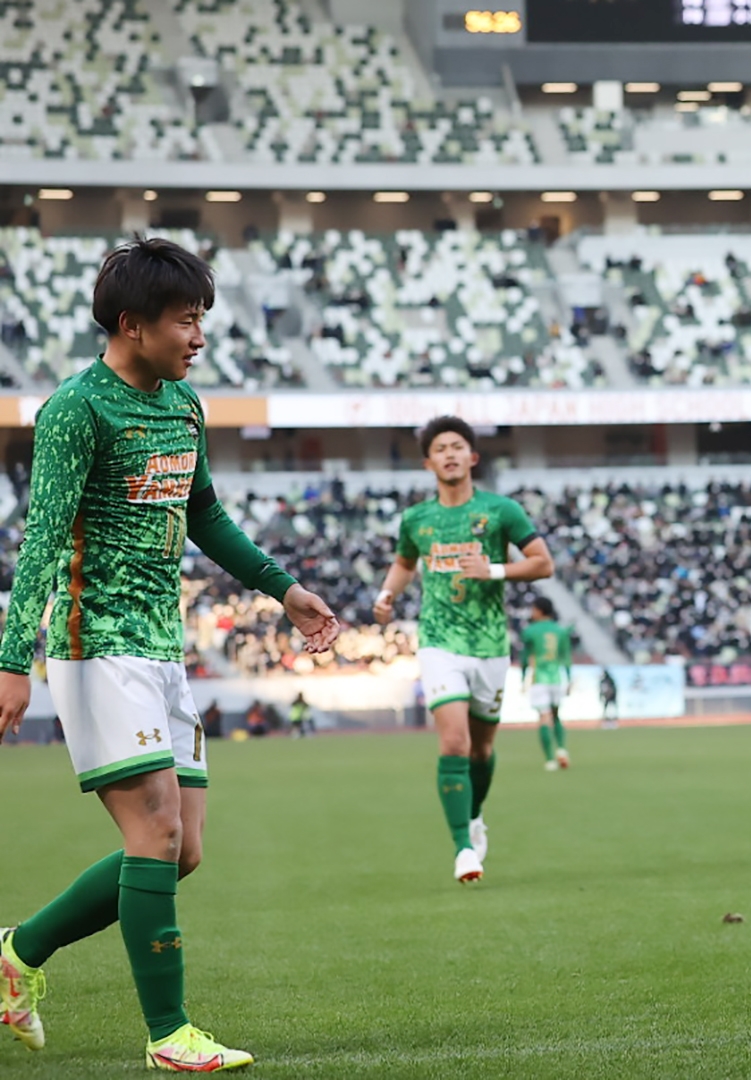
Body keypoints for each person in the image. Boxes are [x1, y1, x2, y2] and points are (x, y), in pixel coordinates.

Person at [0, 236, 341, 1071]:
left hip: (161, 646)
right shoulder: (76, 410)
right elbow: (41, 542)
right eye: (187, 321)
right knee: (152, 832)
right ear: (131, 324)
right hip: (96, 643)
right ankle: (170, 1036)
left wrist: (284, 588)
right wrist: (12, 659)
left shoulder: (184, 408)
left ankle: (14, 955)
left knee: (183, 849)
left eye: (201, 321)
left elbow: (207, 516)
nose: (199, 337)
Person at [373, 416, 553, 882]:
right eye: (441, 448)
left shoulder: (501, 510)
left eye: (458, 446)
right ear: (427, 462)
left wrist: (492, 570)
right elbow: (404, 564)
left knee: (482, 750)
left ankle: (473, 816)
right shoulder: (416, 519)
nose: (450, 454)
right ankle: (462, 849)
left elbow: (542, 563)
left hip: (490, 645)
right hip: (439, 642)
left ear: (472, 457)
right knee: (455, 740)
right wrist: (386, 594)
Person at [521, 597, 572, 771]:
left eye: (533, 609)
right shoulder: (560, 631)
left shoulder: (530, 631)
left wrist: (523, 678)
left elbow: (525, 657)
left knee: (543, 718)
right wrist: (569, 678)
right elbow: (565, 657)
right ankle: (562, 750)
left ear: (540, 611)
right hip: (556, 678)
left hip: (539, 679)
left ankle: (550, 759)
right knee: (556, 715)